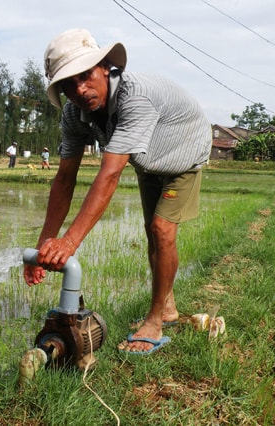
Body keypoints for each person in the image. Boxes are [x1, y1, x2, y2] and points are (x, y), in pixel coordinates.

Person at [23, 28, 212, 355]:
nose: (80, 89)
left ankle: (154, 321)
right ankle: (167, 308)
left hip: (184, 153)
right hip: (148, 160)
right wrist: (43, 246)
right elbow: (65, 178)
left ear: (106, 67)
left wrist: (68, 243)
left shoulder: (133, 98)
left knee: (162, 229)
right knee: (151, 234)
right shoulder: (74, 114)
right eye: (69, 85)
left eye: (85, 76)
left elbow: (109, 175)